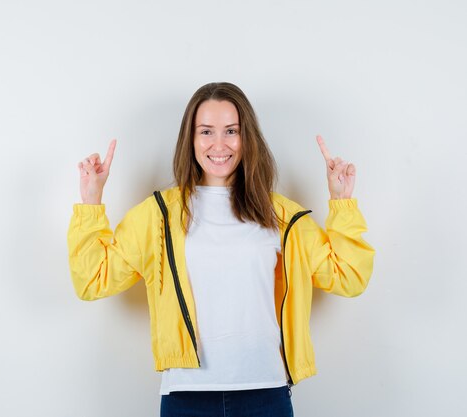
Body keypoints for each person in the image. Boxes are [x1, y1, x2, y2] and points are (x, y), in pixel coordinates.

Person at [67, 82, 375, 417]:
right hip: (187, 396)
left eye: (231, 131)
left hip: (265, 394)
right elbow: (94, 279)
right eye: (206, 131)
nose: (219, 144)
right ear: (191, 139)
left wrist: (341, 201)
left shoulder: (281, 216)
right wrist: (91, 202)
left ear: (248, 139)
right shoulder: (159, 214)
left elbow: (349, 277)